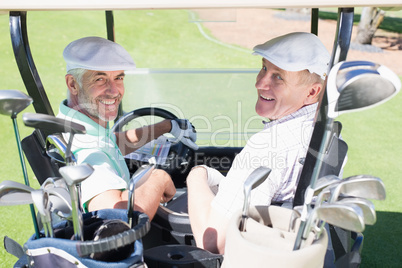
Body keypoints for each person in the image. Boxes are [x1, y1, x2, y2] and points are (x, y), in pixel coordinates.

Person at [186, 32, 330, 254]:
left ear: (312, 92)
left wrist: (195, 176)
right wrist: (211, 175)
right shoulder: (320, 132)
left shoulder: (268, 146)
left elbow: (213, 243)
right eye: (264, 68)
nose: (260, 83)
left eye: (278, 77)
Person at [57, 36, 197, 220]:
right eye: (100, 79)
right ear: (73, 84)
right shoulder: (89, 150)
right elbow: (116, 216)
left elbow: (111, 143)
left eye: (118, 78)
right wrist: (159, 178)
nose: (114, 91)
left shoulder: (76, 125)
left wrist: (166, 126)